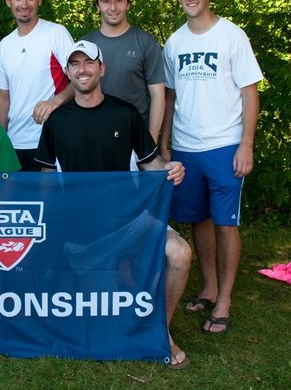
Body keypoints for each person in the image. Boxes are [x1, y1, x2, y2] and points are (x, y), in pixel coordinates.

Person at [35, 40, 192, 369]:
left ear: (101, 68)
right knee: (104, 330)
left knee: (180, 252)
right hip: (82, 236)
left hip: (130, 223)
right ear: (67, 71)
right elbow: (46, 186)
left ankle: (159, 329)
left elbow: (152, 168)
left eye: (89, 62)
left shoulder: (126, 113)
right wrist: (51, 238)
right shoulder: (56, 121)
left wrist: (171, 168)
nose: (82, 69)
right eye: (75, 63)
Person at [159, 0, 263, 334]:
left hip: (224, 145)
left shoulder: (231, 36)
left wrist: (246, 144)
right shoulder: (174, 43)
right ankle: (209, 286)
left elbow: (250, 92)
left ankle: (225, 299)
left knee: (225, 222)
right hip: (187, 147)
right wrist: (165, 140)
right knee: (197, 219)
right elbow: (170, 97)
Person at [0, 0, 74, 171]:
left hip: (51, 140)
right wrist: (0, 142)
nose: (24, 4)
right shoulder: (5, 44)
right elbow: (3, 97)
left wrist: (55, 101)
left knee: (51, 202)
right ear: (8, 1)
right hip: (14, 144)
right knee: (18, 203)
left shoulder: (56, 33)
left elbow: (80, 81)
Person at [82, 0, 166, 141]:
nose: (113, 7)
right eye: (106, 1)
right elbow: (76, 92)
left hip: (134, 134)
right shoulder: (85, 45)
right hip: (93, 134)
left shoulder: (146, 42)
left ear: (128, 3)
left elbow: (158, 96)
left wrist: (151, 142)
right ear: (97, 5)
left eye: (119, 0)